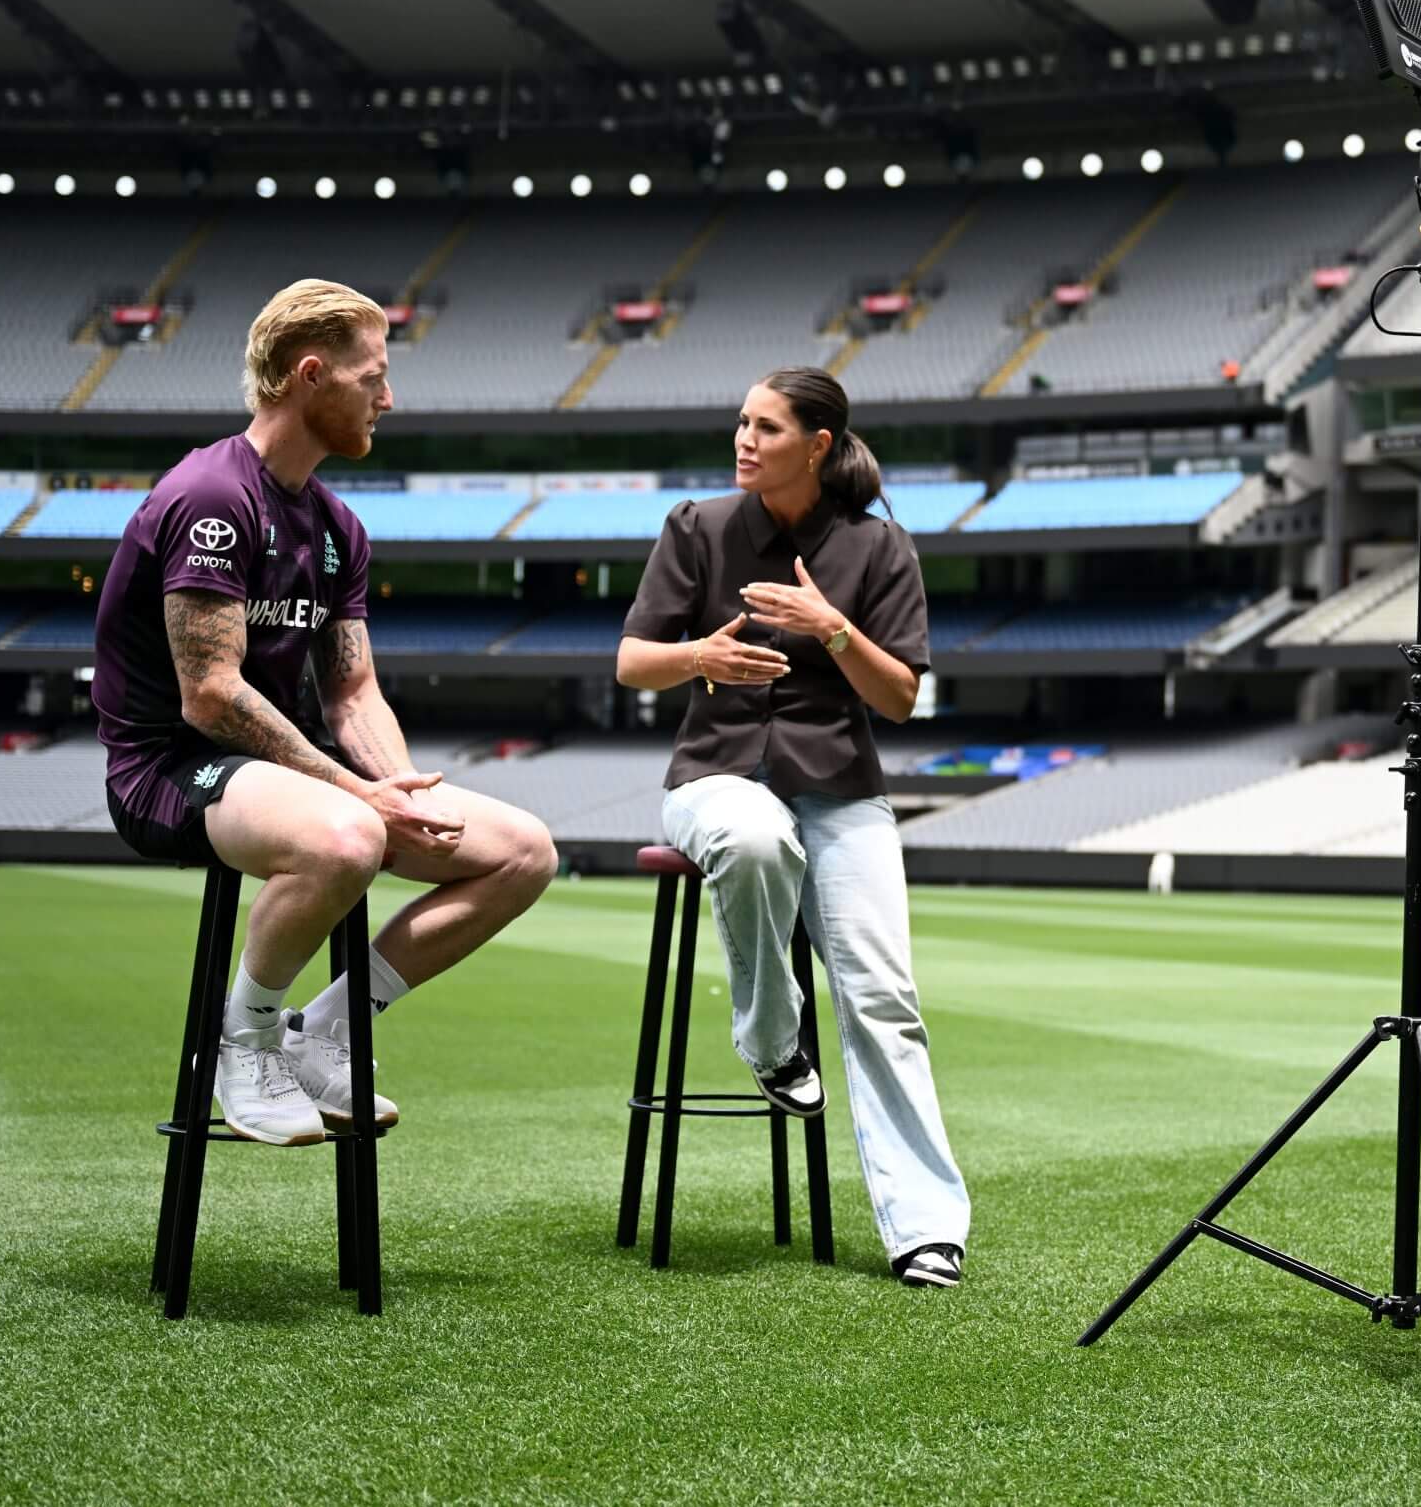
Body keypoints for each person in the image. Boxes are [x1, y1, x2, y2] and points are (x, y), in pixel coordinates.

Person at [93, 280, 557, 1146]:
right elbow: (210, 693)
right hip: (172, 765)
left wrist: (399, 789)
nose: (390, 397)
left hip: (279, 769)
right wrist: (358, 797)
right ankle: (244, 1040)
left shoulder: (338, 527)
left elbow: (352, 691)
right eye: (372, 376)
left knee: (523, 852)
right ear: (310, 375)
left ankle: (326, 1031)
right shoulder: (212, 497)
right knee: (348, 837)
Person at [615, 368, 970, 1289]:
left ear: (816, 445)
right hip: (715, 777)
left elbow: (900, 698)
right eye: (740, 422)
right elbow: (631, 663)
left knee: (885, 998)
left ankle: (927, 1229)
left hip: (841, 787)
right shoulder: (696, 527)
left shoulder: (880, 546)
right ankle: (774, 1039)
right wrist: (698, 654)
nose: (744, 439)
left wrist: (833, 627)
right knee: (755, 838)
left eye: (765, 427)